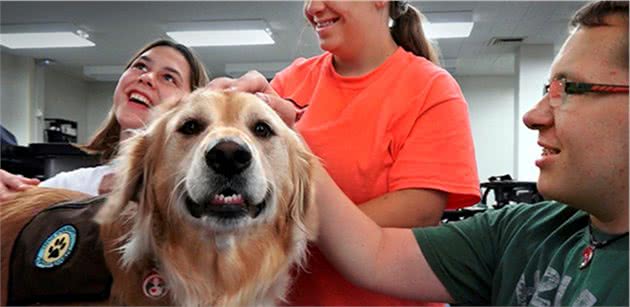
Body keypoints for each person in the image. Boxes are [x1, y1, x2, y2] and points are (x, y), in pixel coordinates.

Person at [305, 1, 627, 305]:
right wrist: (279, 140)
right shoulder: (524, 232)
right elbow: (373, 253)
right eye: (548, 90)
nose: (532, 116)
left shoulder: (426, 87)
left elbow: (411, 217)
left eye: (568, 89)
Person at [209, 0, 480, 305]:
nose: (312, 7)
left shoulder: (432, 89)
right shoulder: (290, 81)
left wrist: (286, 225)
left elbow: (418, 210)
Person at [0, 39, 209, 200]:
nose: (146, 77)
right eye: (141, 66)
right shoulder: (73, 184)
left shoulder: (195, 192)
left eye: (168, 77)